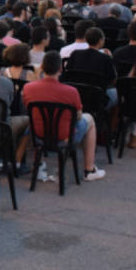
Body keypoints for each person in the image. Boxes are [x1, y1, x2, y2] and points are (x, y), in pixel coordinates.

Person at [22, 52, 105, 182]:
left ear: (42, 67)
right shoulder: (71, 91)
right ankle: (89, 170)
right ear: (60, 68)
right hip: (64, 139)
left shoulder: (28, 88)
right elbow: (78, 118)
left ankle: (38, 165)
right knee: (89, 119)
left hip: (38, 137)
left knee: (37, 120)